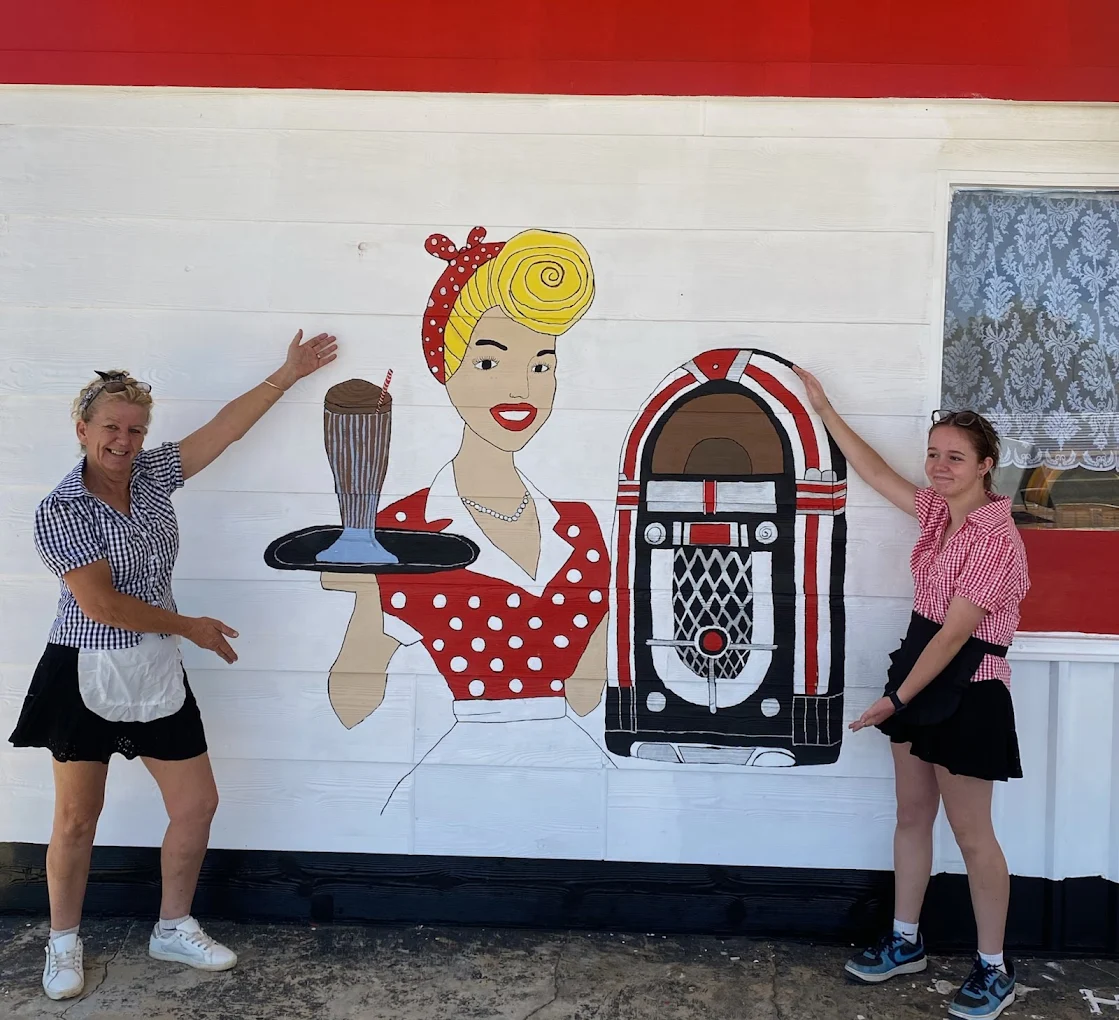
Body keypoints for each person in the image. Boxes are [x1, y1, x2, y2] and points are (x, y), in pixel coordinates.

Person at [9, 330, 337, 1001]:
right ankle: (63, 942)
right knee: (77, 819)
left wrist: (287, 375)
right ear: (82, 429)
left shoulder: (154, 476)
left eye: (135, 428)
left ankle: (173, 926)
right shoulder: (60, 509)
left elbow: (223, 431)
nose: (124, 440)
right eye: (111, 427)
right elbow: (101, 605)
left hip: (155, 667)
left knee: (196, 804)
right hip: (83, 671)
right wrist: (189, 625)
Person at [324, 226, 612, 813]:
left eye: (541, 364)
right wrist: (368, 599)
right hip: (458, 779)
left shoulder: (579, 528)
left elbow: (585, 697)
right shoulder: (405, 529)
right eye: (489, 360)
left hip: (572, 773)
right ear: (446, 369)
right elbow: (352, 705)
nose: (520, 387)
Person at [794, 367, 1029, 1020]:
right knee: (909, 815)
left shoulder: (994, 540)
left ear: (986, 467)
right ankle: (905, 941)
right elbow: (872, 471)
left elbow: (955, 637)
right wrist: (825, 407)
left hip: (967, 688)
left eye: (954, 457)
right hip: (917, 669)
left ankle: (992, 967)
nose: (937, 466)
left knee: (973, 835)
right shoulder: (934, 512)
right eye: (932, 454)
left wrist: (894, 701)